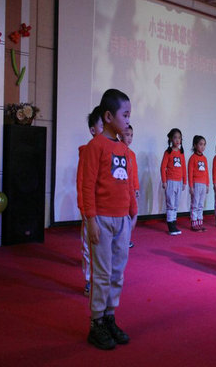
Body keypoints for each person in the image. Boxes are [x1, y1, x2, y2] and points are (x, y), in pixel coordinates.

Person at [82, 89, 138, 350]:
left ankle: (109, 316)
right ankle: (96, 323)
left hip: (122, 220)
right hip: (102, 220)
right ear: (107, 117)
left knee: (117, 272)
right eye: (124, 115)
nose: (128, 120)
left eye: (129, 115)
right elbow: (87, 186)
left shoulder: (123, 149)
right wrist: (91, 220)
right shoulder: (95, 147)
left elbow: (128, 184)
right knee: (102, 273)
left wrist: (133, 211)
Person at [76, 106, 103, 297]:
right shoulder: (87, 153)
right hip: (90, 209)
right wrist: (84, 207)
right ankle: (89, 280)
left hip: (108, 209)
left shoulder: (113, 150)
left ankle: (103, 279)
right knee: (89, 245)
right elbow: (81, 181)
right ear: (93, 130)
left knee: (105, 247)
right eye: (102, 126)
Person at [160, 128, 186, 235]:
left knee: (176, 204)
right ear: (171, 139)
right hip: (170, 181)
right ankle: (170, 225)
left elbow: (184, 168)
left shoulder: (181, 153)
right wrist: (164, 181)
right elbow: (163, 167)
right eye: (175, 138)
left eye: (179, 138)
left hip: (179, 182)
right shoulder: (168, 152)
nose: (177, 140)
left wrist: (184, 182)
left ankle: (174, 223)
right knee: (170, 203)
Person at [122, 125, 139, 248]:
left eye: (131, 135)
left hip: (131, 189)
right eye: (127, 135)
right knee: (122, 215)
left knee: (130, 214)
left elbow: (134, 173)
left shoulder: (132, 154)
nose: (129, 138)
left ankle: (126, 238)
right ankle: (121, 239)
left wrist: (136, 188)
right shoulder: (116, 150)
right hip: (121, 189)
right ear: (119, 135)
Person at [188, 135, 209, 232]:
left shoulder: (204, 158)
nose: (203, 146)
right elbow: (190, 173)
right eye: (200, 144)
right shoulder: (192, 158)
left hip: (203, 184)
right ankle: (194, 223)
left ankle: (200, 222)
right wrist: (191, 186)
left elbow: (206, 172)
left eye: (204, 144)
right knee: (195, 204)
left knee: (201, 204)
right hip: (196, 184)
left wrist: (207, 184)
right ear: (195, 145)